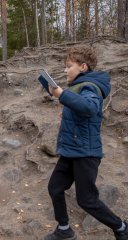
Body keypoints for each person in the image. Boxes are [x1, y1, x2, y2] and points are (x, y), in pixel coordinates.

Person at [44, 46, 128, 240]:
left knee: (87, 200)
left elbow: (90, 107)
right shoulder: (79, 86)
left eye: (68, 66)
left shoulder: (90, 86)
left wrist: (61, 95)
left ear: (82, 67)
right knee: (55, 187)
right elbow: (81, 110)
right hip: (70, 151)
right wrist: (67, 110)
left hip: (85, 153)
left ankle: (122, 227)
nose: (65, 70)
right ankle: (64, 230)